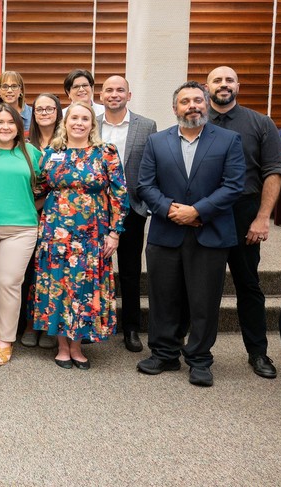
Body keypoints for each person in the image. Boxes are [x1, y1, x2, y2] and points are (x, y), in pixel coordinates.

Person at [137, 81, 245, 387]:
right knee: (163, 297)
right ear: (175, 109)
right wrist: (173, 210)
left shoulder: (228, 140)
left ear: (207, 104)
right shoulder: (157, 141)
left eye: (198, 100)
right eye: (185, 102)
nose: (192, 106)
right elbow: (145, 184)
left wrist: (196, 211)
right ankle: (164, 353)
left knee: (204, 300)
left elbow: (234, 185)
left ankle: (199, 358)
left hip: (209, 233)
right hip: (165, 232)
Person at [33, 101, 127, 370]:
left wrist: (115, 233)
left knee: (85, 287)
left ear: (92, 124)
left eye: (85, 118)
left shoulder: (106, 153)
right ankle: (63, 346)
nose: (78, 123)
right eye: (73, 117)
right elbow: (38, 190)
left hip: (93, 233)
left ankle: (78, 344)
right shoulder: (50, 153)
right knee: (59, 285)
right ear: (65, 123)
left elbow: (120, 194)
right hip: (55, 233)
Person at [206, 65, 281, 379]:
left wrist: (263, 218)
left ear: (238, 85)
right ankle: (201, 352)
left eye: (229, 80)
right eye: (217, 80)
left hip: (245, 213)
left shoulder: (260, 123)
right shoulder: (197, 121)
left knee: (248, 285)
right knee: (204, 287)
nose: (223, 85)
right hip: (207, 214)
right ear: (207, 86)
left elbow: (274, 172)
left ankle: (258, 353)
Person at [0, 104, 41, 366]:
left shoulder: (31, 153)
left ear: (19, 127)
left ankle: (5, 341)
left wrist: (30, 207)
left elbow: (49, 186)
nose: (5, 127)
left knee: (8, 281)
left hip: (22, 228)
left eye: (10, 122)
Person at [97, 75, 157, 353]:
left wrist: (146, 204)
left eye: (120, 89)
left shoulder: (146, 126)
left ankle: (131, 328)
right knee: (92, 268)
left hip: (132, 208)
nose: (114, 94)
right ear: (101, 95)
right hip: (94, 209)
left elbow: (150, 166)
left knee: (130, 271)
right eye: (109, 90)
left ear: (129, 95)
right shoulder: (90, 123)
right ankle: (93, 324)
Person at [20, 93, 63, 349]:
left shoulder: (67, 143)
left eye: (50, 108)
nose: (44, 113)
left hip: (58, 219)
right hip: (28, 215)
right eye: (39, 109)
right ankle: (29, 325)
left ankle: (49, 327)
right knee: (28, 273)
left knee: (52, 274)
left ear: (58, 112)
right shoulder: (24, 142)